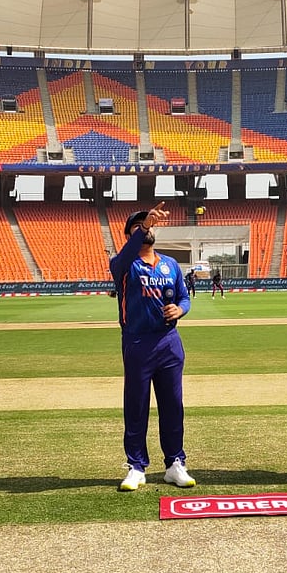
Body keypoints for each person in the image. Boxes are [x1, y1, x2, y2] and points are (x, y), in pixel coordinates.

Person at [109, 203, 195, 492]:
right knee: (136, 407)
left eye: (148, 225)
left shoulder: (170, 264)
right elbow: (123, 259)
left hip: (169, 343)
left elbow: (184, 298)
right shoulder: (123, 264)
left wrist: (180, 311)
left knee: (173, 406)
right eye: (139, 226)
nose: (147, 228)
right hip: (137, 342)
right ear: (131, 234)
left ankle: (174, 464)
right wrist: (143, 226)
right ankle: (136, 466)